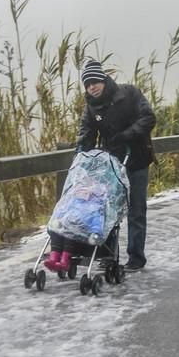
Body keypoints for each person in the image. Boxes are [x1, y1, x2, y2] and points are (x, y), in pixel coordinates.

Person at [71, 59, 156, 272]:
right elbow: (86, 134)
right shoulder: (91, 107)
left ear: (103, 79)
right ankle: (108, 256)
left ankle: (136, 258)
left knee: (136, 210)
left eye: (95, 82)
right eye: (88, 84)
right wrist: (81, 157)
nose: (92, 87)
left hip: (136, 159)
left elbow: (149, 118)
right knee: (106, 209)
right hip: (110, 164)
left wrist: (126, 136)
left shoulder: (129, 94)